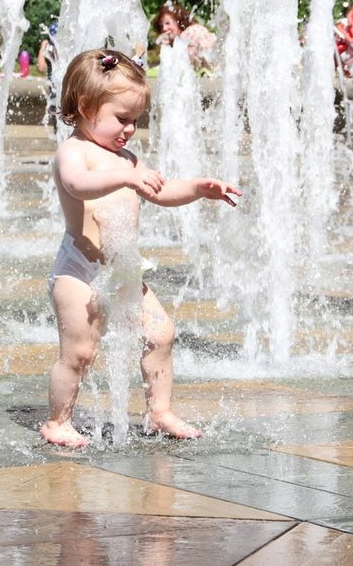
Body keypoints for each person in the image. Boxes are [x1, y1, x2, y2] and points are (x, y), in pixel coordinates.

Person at [40, 49, 241, 448]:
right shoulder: (73, 152)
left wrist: (199, 189)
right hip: (80, 270)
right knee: (80, 353)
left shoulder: (127, 159)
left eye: (136, 121)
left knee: (161, 334)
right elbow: (78, 184)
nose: (130, 130)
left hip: (124, 269)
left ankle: (159, 411)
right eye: (122, 119)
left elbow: (162, 192)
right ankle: (57, 421)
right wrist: (127, 177)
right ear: (85, 106)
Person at [152, 4, 217, 73]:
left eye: (168, 23)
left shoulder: (191, 32)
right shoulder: (181, 38)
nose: (164, 28)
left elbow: (187, 62)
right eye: (161, 26)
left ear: (179, 21)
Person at [37, 22, 59, 132]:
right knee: (56, 108)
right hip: (54, 84)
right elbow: (41, 68)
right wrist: (44, 48)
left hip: (68, 81)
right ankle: (57, 133)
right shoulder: (48, 46)